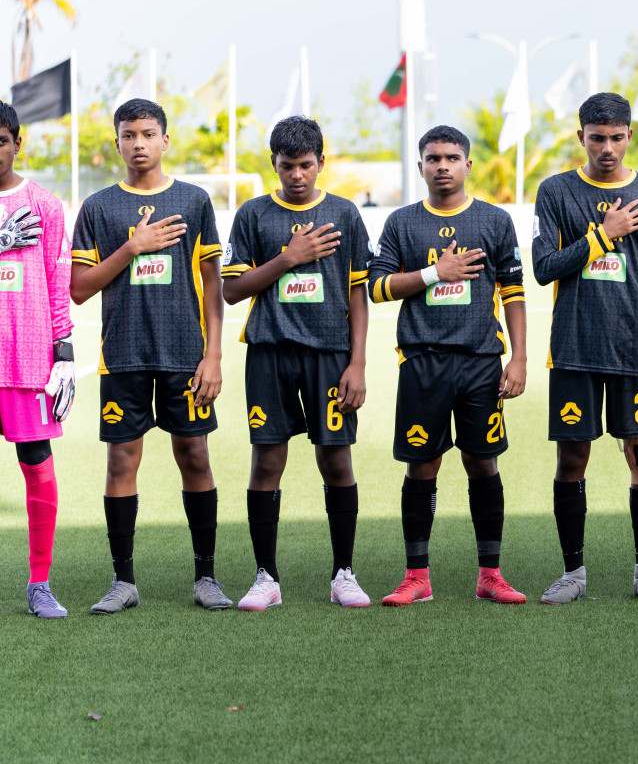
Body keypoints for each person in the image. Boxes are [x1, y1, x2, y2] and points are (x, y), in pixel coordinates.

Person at [71, 97, 232, 612]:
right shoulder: (98, 207)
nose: (137, 143)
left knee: (195, 456)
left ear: (166, 140)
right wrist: (132, 247)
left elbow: (212, 286)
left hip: (186, 356)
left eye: (146, 133)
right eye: (127, 134)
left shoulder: (194, 200)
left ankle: (206, 578)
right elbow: (78, 288)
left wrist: (214, 356)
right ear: (116, 142)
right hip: (122, 356)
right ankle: (123, 582)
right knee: (121, 459)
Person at [368, 125, 528, 606]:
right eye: (433, 158)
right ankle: (416, 576)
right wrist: (438, 272)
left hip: (481, 362)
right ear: (420, 167)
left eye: (452, 157)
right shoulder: (401, 223)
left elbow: (514, 294)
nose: (442, 166)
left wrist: (518, 357)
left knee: (483, 464)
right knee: (422, 468)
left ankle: (491, 574)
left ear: (468, 165)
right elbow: (377, 288)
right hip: (423, 361)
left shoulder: (495, 221)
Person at [220, 116, 373, 610]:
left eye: (306, 165)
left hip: (330, 357)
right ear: (274, 164)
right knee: (267, 460)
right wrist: (289, 256)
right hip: (270, 352)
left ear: (321, 162)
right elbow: (232, 289)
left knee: (336, 459)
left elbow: (357, 293)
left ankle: (343, 573)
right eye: (288, 166)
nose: (298, 175)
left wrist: (359, 363)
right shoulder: (253, 215)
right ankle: (266, 577)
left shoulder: (346, 215)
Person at [531, 93, 638, 604]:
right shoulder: (556, 192)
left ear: (630, 136)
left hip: (635, 346)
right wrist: (603, 235)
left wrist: (628, 301)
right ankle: (573, 573)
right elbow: (544, 267)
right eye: (597, 138)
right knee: (573, 459)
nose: (607, 148)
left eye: (616, 138)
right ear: (581, 137)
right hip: (573, 346)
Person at [0, 101, 75, 618]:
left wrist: (63, 354)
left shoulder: (45, 205)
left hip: (26, 363)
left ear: (16, 144)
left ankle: (40, 583)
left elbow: (57, 283)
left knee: (38, 469)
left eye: (0, 141)